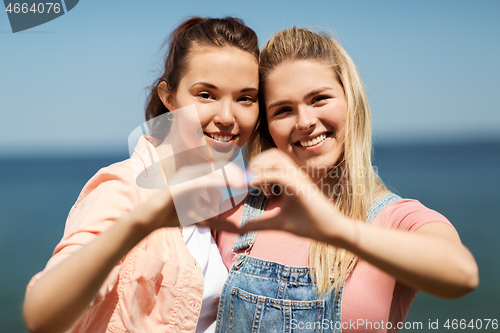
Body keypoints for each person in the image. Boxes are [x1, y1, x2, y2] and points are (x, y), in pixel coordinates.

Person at [213, 27, 479, 333]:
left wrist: (338, 229)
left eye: (319, 99)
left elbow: (462, 275)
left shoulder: (394, 218)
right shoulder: (234, 209)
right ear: (267, 126)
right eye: (283, 110)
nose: (305, 121)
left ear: (350, 100)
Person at [23, 17, 259, 333]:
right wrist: (139, 223)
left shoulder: (225, 195)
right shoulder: (122, 187)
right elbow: (42, 315)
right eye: (206, 95)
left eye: (245, 98)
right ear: (169, 97)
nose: (228, 117)